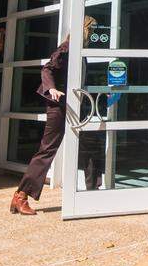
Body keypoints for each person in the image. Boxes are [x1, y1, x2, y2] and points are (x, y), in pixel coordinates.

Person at [10, 15, 96, 215]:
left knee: (89, 145)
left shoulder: (80, 52)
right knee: (48, 149)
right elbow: (47, 69)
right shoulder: (66, 48)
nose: (92, 35)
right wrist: (52, 89)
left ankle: (94, 191)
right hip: (59, 105)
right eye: (91, 30)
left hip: (76, 104)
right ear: (84, 30)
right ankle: (21, 195)